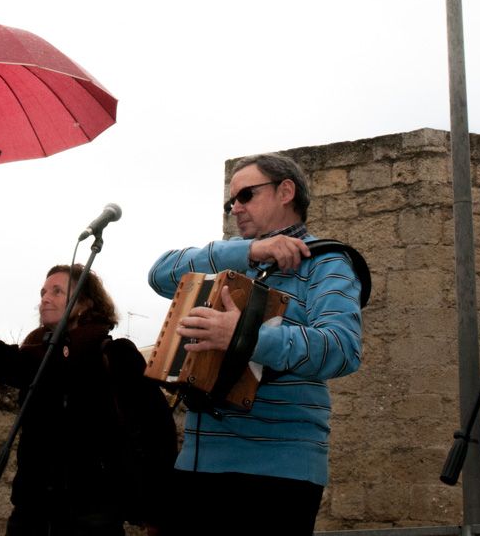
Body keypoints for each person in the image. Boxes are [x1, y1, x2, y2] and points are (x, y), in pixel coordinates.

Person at [147, 152, 368, 536]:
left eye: (246, 195)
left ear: (286, 191)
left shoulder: (328, 263)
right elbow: (160, 274)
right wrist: (247, 251)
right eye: (230, 201)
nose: (235, 208)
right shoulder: (232, 258)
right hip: (198, 462)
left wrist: (243, 336)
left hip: (280, 470)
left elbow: (342, 348)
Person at [0, 254, 177, 536]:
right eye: (43, 292)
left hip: (93, 517)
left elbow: (157, 431)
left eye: (57, 291)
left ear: (85, 303)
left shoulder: (114, 355)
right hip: (31, 515)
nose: (45, 299)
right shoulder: (36, 357)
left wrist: (157, 512)